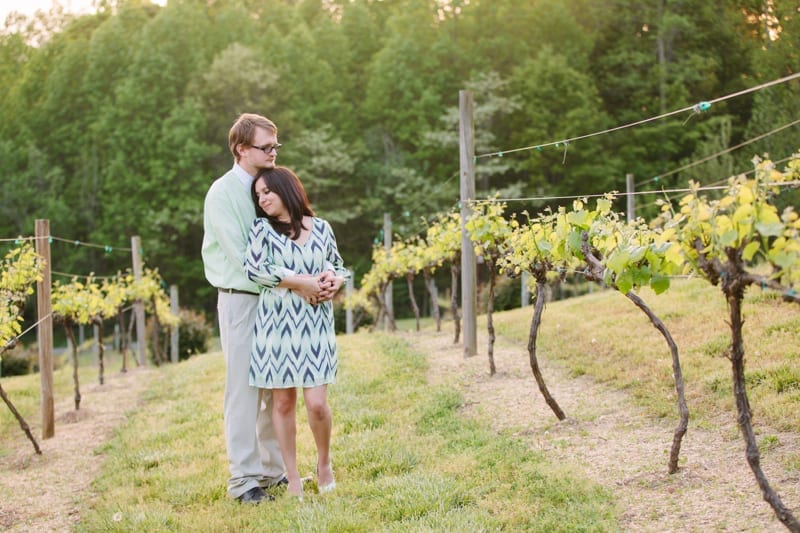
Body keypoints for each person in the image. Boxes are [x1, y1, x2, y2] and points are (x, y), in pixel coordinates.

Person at [202, 113, 339, 504]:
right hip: (244, 299)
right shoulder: (223, 194)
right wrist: (302, 284)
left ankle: (273, 471)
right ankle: (244, 480)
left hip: (281, 302)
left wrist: (320, 279)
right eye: (266, 147)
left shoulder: (268, 187)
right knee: (244, 391)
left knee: (273, 390)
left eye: (276, 146)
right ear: (242, 149)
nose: (274, 153)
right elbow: (246, 261)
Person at [244, 166, 348, 499]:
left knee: (317, 404)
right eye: (258, 195)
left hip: (315, 325)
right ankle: (292, 478)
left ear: (286, 189)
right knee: (284, 403)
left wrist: (334, 281)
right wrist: (303, 282)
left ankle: (324, 464)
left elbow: (336, 265)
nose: (262, 199)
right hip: (277, 327)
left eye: (267, 192)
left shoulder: (321, 227)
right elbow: (257, 271)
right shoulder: (261, 229)